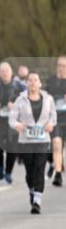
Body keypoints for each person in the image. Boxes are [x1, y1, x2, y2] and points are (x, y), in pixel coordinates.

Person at [10, 72, 56, 214]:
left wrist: (50, 124)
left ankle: (37, 201)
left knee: (39, 169)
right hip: (26, 141)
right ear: (27, 83)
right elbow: (12, 119)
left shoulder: (48, 99)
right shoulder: (20, 100)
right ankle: (32, 191)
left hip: (43, 140)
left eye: (36, 80)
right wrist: (18, 125)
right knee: (30, 172)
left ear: (40, 84)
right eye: (30, 80)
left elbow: (53, 116)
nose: (33, 83)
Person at [0, 62, 24, 183]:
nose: (4, 73)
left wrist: (16, 105)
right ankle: (0, 165)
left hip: (13, 121)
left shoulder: (18, 87)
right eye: (2, 71)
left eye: (7, 71)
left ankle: (8, 173)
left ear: (11, 72)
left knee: (12, 148)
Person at [46, 55, 66, 188]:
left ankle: (58, 164)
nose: (61, 68)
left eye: (64, 66)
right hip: (56, 118)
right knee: (57, 144)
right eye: (59, 65)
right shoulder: (51, 81)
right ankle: (58, 174)